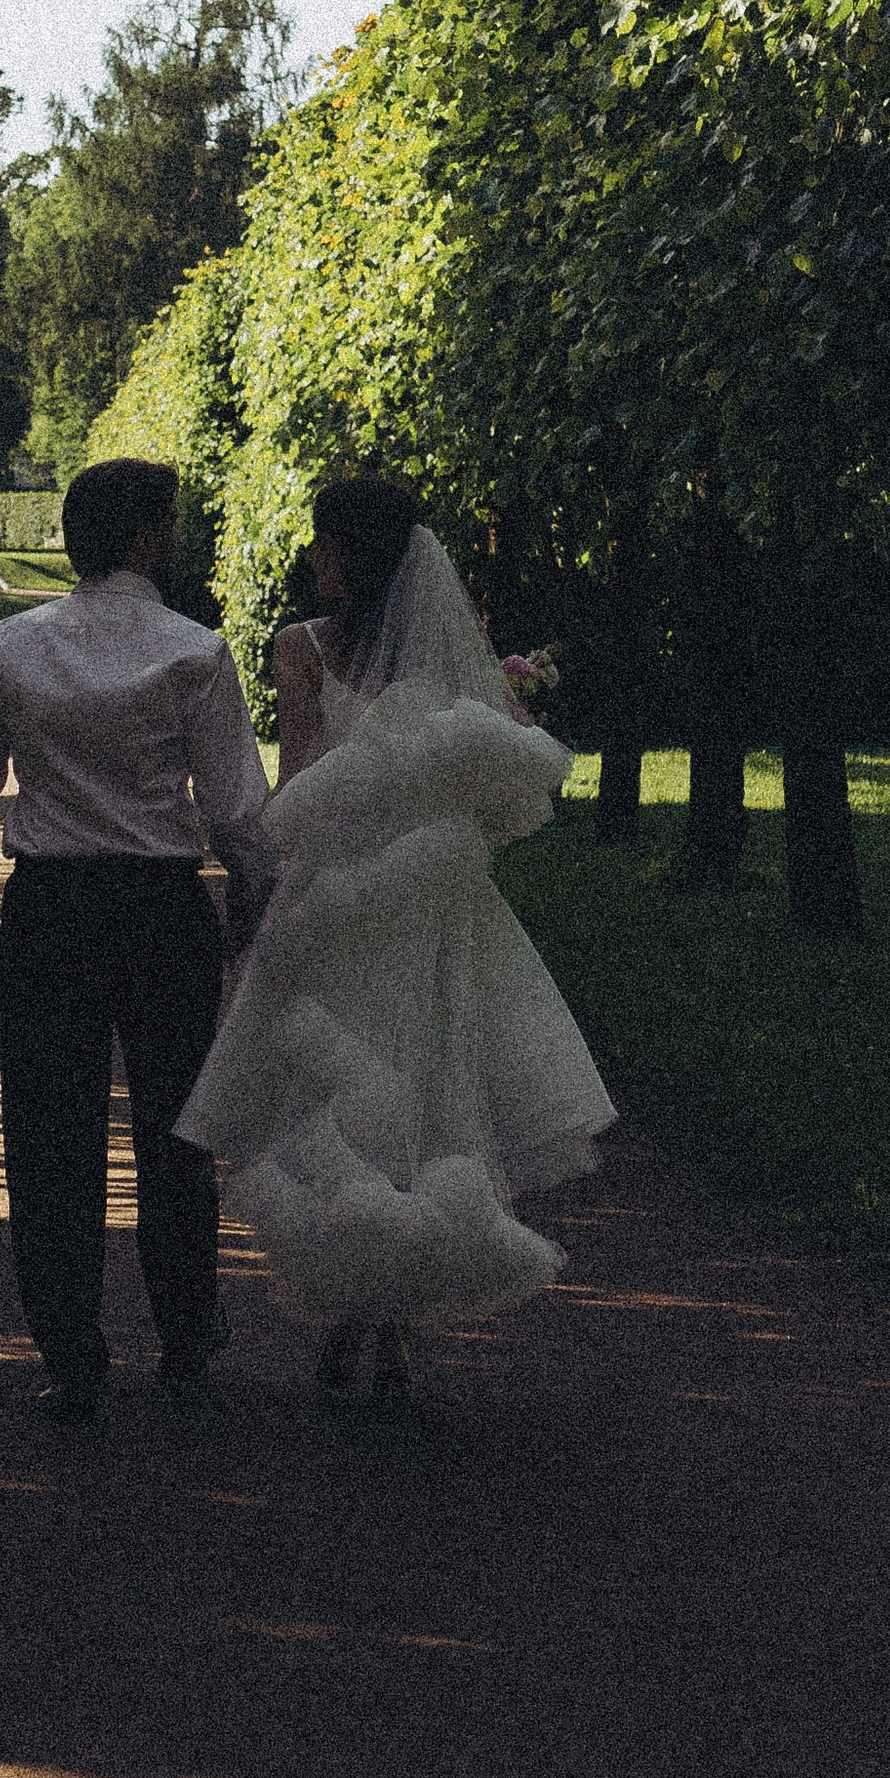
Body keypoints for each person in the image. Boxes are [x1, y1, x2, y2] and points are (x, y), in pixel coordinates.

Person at [177, 475, 614, 1408]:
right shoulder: (444, 657)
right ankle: (390, 1329)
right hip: (427, 900)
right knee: (425, 1091)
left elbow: (299, 785)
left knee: (339, 1099)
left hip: (336, 903)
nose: (312, 555)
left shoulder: (299, 649)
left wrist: (265, 888)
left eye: (323, 539)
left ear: (353, 551)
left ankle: (356, 1304)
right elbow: (499, 788)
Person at [0, 455, 277, 1424]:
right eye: (170, 524)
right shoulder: (196, 652)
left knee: (49, 1139)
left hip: (51, 911)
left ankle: (70, 1352)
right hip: (162, 911)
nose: (178, 538)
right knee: (177, 1134)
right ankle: (185, 1333)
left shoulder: (12, 650)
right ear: (143, 537)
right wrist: (248, 904)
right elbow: (238, 814)